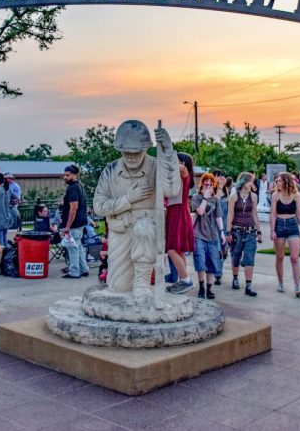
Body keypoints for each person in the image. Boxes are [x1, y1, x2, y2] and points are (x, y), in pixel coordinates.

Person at [92, 120, 181, 307]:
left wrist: (168, 151)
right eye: (127, 153)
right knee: (118, 287)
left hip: (146, 230)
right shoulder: (110, 171)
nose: (131, 157)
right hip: (121, 231)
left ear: (145, 149)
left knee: (144, 228)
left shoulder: (156, 166)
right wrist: (128, 199)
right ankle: (128, 284)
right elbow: (99, 206)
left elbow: (172, 190)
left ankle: (142, 284)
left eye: (136, 153)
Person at [271, 172, 300, 297]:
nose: (277, 183)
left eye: (280, 180)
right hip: (279, 225)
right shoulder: (275, 195)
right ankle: (281, 283)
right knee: (280, 257)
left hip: (292, 224)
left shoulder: (296, 194)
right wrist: (272, 230)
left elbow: (298, 213)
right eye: (277, 181)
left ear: (286, 182)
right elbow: (273, 214)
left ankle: (297, 286)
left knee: (294, 258)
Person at [164, 153, 196, 293]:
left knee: (171, 250)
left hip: (178, 214)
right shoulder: (178, 176)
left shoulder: (183, 171)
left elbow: (178, 168)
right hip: (176, 213)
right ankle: (183, 279)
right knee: (179, 250)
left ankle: (186, 280)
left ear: (182, 162)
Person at [226, 172, 261, 296]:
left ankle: (248, 286)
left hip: (250, 231)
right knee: (236, 256)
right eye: (249, 181)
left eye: (252, 181)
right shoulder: (234, 196)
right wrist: (228, 232)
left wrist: (259, 231)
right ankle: (235, 278)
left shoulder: (254, 196)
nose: (251, 183)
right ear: (244, 182)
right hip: (237, 231)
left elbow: (254, 214)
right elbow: (230, 215)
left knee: (249, 258)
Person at [191, 173, 223, 299]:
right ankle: (201, 287)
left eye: (211, 183)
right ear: (202, 184)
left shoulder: (215, 200)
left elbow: (218, 217)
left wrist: (222, 232)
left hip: (212, 234)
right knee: (200, 261)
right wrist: (205, 197)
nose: (208, 185)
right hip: (198, 233)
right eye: (206, 183)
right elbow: (200, 211)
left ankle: (209, 289)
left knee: (211, 262)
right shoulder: (196, 197)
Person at [60, 165, 89, 279]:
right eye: (64, 175)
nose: (65, 177)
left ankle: (74, 271)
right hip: (80, 222)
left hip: (74, 224)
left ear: (74, 175)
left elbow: (73, 208)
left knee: (72, 248)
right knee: (79, 246)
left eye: (67, 175)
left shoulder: (72, 188)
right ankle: (83, 269)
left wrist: (67, 226)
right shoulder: (79, 185)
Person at [212, 169, 229, 286]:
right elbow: (215, 203)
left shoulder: (225, 190)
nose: (221, 177)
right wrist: (220, 187)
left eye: (222, 175)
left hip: (225, 224)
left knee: (224, 250)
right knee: (217, 250)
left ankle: (218, 271)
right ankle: (217, 275)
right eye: (218, 175)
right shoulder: (212, 190)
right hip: (214, 225)